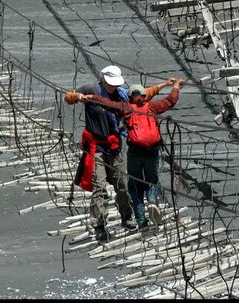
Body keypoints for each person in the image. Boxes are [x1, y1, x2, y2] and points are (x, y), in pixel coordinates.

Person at [64, 65, 175, 241]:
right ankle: (99, 225)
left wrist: (165, 85)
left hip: (114, 145)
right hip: (96, 147)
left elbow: (145, 94)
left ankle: (127, 216)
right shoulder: (90, 89)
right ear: (103, 79)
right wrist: (76, 96)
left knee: (122, 184)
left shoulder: (122, 94)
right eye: (111, 84)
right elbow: (68, 98)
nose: (114, 87)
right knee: (99, 187)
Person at [83, 77, 184, 230]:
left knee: (134, 185)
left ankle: (141, 221)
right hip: (152, 150)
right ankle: (151, 202)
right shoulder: (153, 107)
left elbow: (107, 103)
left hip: (135, 151)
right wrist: (175, 85)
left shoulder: (126, 108)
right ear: (144, 96)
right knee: (151, 180)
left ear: (129, 97)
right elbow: (171, 100)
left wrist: (91, 97)